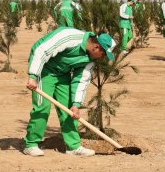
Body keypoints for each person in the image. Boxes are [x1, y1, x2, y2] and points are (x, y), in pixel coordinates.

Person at [23, 27, 116, 157]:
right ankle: (31, 144)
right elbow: (41, 50)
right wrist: (33, 75)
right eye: (104, 54)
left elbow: (81, 80)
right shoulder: (69, 37)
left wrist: (76, 104)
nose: (103, 58)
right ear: (96, 47)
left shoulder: (90, 59)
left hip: (62, 74)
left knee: (69, 110)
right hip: (44, 70)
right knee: (42, 106)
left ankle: (73, 146)